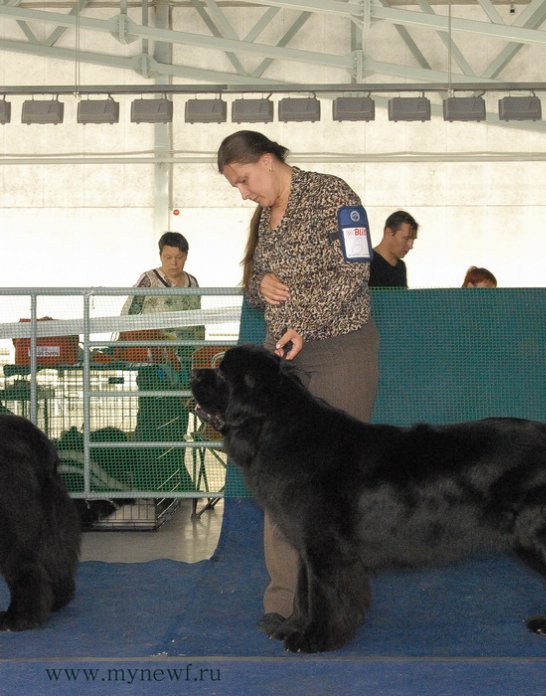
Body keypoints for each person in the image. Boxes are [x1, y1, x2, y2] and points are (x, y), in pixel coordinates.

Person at [217, 130, 379, 634]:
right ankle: (285, 598)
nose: (243, 192)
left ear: (267, 161)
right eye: (236, 187)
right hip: (284, 360)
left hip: (341, 351)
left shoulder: (335, 196)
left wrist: (303, 324)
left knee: (333, 482)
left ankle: (337, 598)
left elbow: (355, 271)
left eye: (244, 180)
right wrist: (259, 287)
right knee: (280, 476)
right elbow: (256, 287)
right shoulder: (266, 216)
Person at [121, 231, 204, 492]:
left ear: (186, 257)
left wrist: (196, 354)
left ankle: (175, 480)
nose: (174, 262)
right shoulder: (148, 280)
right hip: (154, 367)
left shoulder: (193, 283)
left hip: (183, 366)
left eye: (179, 257)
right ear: (160, 255)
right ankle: (149, 483)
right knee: (151, 422)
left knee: (178, 422)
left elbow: (198, 321)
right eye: (168, 257)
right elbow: (128, 316)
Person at [368, 210, 418, 287]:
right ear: (388, 232)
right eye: (406, 238)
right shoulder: (366, 264)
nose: (410, 246)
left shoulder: (400, 267)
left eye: (412, 240)